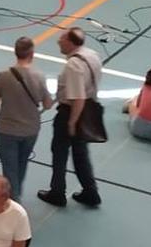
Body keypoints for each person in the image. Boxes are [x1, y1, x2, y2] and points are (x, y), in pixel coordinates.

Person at [38, 28, 103, 208]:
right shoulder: (92, 55)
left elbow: (78, 97)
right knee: (81, 154)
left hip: (71, 112)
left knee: (59, 153)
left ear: (71, 42)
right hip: (89, 108)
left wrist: (72, 123)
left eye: (62, 39)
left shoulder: (73, 65)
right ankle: (91, 191)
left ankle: (57, 192)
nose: (59, 42)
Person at [0, 37, 53, 200]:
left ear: (15, 52)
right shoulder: (40, 76)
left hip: (7, 130)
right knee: (21, 164)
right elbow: (48, 104)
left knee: (9, 169)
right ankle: (16, 192)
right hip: (30, 130)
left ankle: (13, 200)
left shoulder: (4, 76)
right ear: (32, 54)